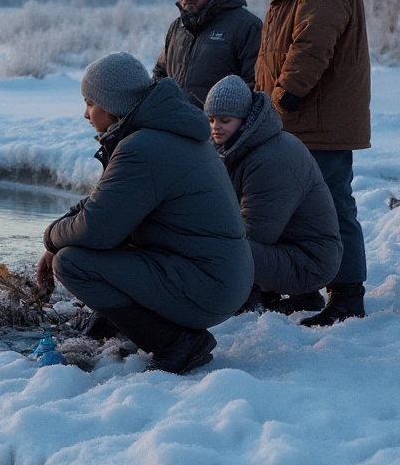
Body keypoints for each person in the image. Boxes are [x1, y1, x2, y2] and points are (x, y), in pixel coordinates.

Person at [36, 53, 253, 374]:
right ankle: (131, 322)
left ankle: (178, 344)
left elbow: (96, 227)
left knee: (72, 263)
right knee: (86, 245)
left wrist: (51, 240)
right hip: (219, 276)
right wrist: (56, 236)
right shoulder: (160, 134)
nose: (85, 113)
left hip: (208, 286)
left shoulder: (144, 147)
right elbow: (104, 203)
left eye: (89, 102)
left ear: (111, 105)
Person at [255, 0, 371, 327]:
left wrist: (284, 98)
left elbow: (311, 46)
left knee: (334, 207)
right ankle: (305, 290)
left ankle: (346, 297)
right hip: (298, 119)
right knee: (300, 210)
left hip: (319, 120)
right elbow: (272, 52)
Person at [204, 75, 342, 314]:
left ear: (244, 119)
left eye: (225, 120)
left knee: (220, 248)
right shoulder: (241, 146)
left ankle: (251, 299)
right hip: (290, 250)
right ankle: (293, 297)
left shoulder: (271, 159)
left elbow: (256, 232)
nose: (216, 127)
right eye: (211, 120)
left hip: (310, 263)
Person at [152, 0, 262, 109]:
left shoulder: (246, 27)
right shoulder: (177, 28)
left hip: (220, 133)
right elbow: (160, 77)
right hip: (177, 133)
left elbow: (256, 89)